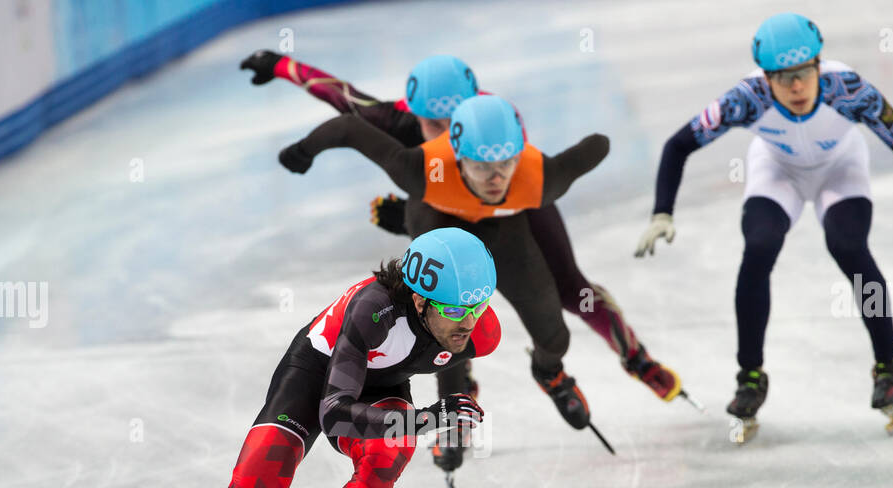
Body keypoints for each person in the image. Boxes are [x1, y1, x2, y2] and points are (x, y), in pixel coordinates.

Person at [245, 51, 683, 466]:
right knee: (444, 302)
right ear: (417, 116)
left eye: (455, 119)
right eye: (434, 122)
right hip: (437, 203)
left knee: (570, 290)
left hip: (510, 209)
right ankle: (458, 387)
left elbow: (530, 171)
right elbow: (346, 102)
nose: (445, 129)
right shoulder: (410, 139)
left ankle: (592, 363)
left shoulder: (496, 134)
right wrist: (283, 66)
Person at [83, 228, 499, 488]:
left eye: (478, 305)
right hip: (315, 375)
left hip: (380, 388)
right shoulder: (372, 311)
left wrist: (458, 399)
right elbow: (335, 414)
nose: (468, 321)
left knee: (389, 456)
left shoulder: (478, 330)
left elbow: (456, 359)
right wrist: (429, 417)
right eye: (455, 310)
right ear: (419, 300)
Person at [634, 12, 893, 436]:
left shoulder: (850, 90)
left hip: (841, 167)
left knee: (848, 245)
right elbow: (678, 145)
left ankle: (888, 364)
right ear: (766, 78)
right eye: (783, 78)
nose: (795, 87)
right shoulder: (746, 98)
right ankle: (750, 376)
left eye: (803, 73)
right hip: (777, 171)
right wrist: (662, 212)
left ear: (818, 65)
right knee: (759, 246)